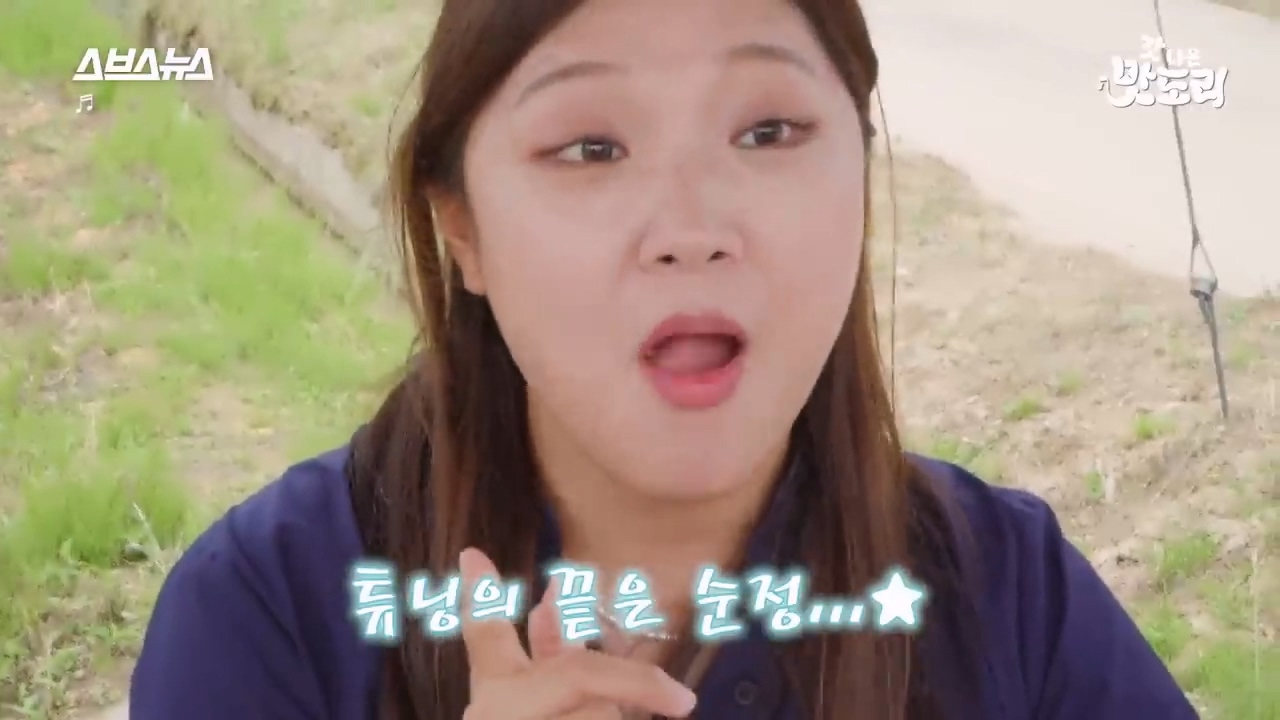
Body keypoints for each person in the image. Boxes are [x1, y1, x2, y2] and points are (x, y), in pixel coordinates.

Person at [129, 0, 1199, 717]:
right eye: (590, 149)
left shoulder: (1008, 596)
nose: (691, 228)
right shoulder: (267, 616)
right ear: (462, 229)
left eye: (768, 132)